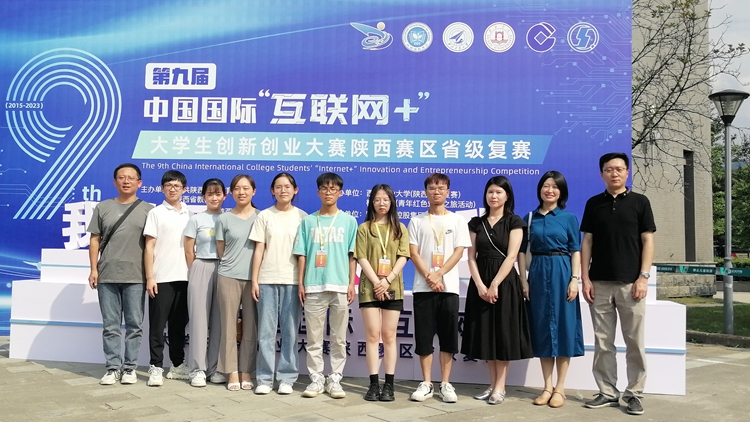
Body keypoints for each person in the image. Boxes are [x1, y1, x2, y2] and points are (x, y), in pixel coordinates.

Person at [581, 152, 656, 416]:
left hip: (631, 283)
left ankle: (634, 393)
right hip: (599, 283)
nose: (614, 173)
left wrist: (643, 277)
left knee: (634, 341)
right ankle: (607, 392)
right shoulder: (594, 203)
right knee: (603, 342)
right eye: (609, 169)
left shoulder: (640, 202)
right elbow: (587, 242)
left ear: (627, 172)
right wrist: (585, 278)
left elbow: (648, 241)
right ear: (601, 173)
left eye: (619, 169)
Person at [461, 176, 533, 405]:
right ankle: (492, 385)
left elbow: (512, 256)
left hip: (505, 283)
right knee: (486, 335)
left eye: (499, 192)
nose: (494, 196)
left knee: (502, 334)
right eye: (490, 192)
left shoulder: (515, 222)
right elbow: (471, 257)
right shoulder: (476, 222)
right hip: (480, 283)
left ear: (507, 196)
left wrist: (494, 284)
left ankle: (500, 387)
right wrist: (481, 285)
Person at [518, 171, 583, 408]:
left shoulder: (568, 218)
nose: (550, 190)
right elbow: (522, 252)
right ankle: (547, 387)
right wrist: (523, 280)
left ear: (561, 191)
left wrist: (574, 279)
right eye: (546, 186)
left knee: (564, 329)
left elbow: (575, 250)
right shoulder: (529, 218)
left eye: (555, 187)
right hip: (537, 273)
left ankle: (560, 388)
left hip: (562, 271)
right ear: (540, 189)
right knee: (543, 329)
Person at [407, 173, 472, 403]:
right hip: (423, 288)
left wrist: (439, 274)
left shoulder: (457, 220)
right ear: (425, 192)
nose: (436, 192)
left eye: (441, 188)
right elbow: (413, 253)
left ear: (448, 192)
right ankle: (426, 383)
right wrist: (430, 276)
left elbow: (459, 252)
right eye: (432, 188)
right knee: (424, 337)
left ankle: (445, 383)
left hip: (449, 288)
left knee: (448, 338)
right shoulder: (416, 221)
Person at [88, 163, 153, 385]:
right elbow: (94, 240)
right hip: (107, 275)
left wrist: (150, 275)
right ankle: (112, 367)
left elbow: (151, 245)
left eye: (131, 178)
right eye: (121, 177)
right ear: (115, 181)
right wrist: (93, 269)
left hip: (136, 276)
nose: (126, 181)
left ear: (139, 183)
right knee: (111, 325)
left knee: (134, 325)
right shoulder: (103, 207)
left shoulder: (148, 210)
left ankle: (130, 368)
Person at [293, 172, 357, 399]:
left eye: (333, 189)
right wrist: (301, 283)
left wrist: (351, 283)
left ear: (341, 193)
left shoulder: (349, 221)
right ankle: (316, 378)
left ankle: (335, 378)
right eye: (324, 189)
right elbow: (301, 255)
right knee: (314, 338)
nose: (329, 193)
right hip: (313, 286)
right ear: (318, 192)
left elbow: (352, 255)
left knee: (339, 338)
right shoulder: (308, 222)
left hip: (340, 286)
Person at [250, 173, 308, 395]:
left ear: (295, 190)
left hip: (292, 281)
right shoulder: (264, 216)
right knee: (266, 332)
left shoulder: (303, 218)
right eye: (278, 187)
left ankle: (287, 377)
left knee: (290, 332)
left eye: (287, 186)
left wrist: (302, 282)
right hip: (266, 280)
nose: (283, 190)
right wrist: (255, 280)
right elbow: (259, 250)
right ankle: (264, 378)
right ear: (272, 191)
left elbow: (303, 254)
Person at [355, 184, 410, 402]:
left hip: (393, 288)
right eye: (377, 200)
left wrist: (387, 280)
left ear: (392, 202)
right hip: (369, 288)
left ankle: (389, 385)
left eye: (385, 199)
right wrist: (377, 282)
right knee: (372, 335)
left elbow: (403, 256)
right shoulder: (364, 228)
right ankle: (373, 384)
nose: (381, 203)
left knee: (389, 336)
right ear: (371, 202)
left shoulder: (400, 228)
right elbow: (361, 257)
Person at [144, 170, 192, 387]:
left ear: (184, 189)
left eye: (177, 186)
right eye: (169, 185)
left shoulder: (190, 214)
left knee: (178, 325)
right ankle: (155, 366)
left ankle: (177, 365)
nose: (173, 189)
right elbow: (149, 246)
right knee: (157, 325)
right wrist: (150, 276)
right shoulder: (156, 213)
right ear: (162, 188)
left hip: (185, 277)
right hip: (161, 277)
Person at [215, 174, 259, 391]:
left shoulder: (262, 217)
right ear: (231, 192)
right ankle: (231, 371)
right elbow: (221, 250)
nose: (241, 192)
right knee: (228, 327)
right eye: (237, 188)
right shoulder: (223, 219)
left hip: (254, 279)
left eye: (246, 188)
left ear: (254, 191)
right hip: (228, 276)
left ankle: (246, 371)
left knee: (251, 327)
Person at [183, 178, 227, 387]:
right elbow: (188, 249)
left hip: (224, 268)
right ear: (203, 197)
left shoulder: (228, 218)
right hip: (201, 265)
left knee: (220, 321)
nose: (214, 197)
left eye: (218, 193)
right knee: (199, 321)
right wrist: (195, 270)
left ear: (224, 196)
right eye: (210, 194)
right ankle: (197, 370)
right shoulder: (196, 219)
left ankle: (215, 368)